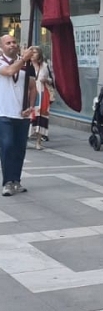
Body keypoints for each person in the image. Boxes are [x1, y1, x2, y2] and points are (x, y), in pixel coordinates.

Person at [0, 36, 36, 197]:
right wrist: (24, 60)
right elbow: (9, 71)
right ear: (2, 46)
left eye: (14, 42)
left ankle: (16, 180)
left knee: (19, 149)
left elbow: (33, 88)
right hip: (4, 113)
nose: (12, 45)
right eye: (8, 43)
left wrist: (30, 106)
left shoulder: (27, 65)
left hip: (22, 115)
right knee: (7, 146)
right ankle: (7, 182)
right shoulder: (3, 62)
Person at [29, 46, 52, 151]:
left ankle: (38, 142)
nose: (33, 54)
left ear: (39, 54)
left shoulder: (45, 66)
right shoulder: (26, 65)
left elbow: (52, 80)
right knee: (29, 116)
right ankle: (25, 139)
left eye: (35, 52)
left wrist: (46, 80)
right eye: (31, 52)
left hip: (42, 93)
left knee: (41, 117)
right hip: (30, 94)